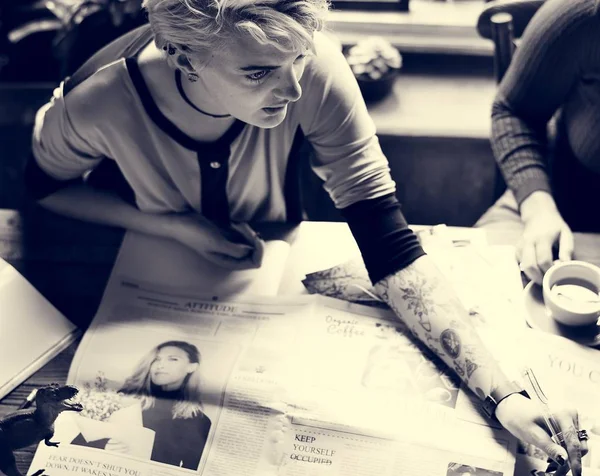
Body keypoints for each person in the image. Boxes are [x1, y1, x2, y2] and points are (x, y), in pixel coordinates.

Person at [25, 0, 586, 472]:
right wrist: (169, 225)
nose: (295, 88)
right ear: (183, 55)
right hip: (133, 285)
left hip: (272, 273)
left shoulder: (315, 68)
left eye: (297, 58)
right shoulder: (96, 101)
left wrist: (504, 395)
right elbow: (43, 190)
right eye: (258, 72)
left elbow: (390, 246)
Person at [475, 0, 600, 285]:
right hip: (559, 198)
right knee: (484, 284)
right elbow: (513, 111)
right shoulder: (583, 17)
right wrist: (539, 210)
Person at [73, 340, 211, 469]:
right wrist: (104, 447)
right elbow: (77, 445)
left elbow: (192, 470)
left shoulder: (199, 421)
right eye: (157, 359)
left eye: (173, 359)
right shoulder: (123, 401)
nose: (160, 365)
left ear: (192, 367)